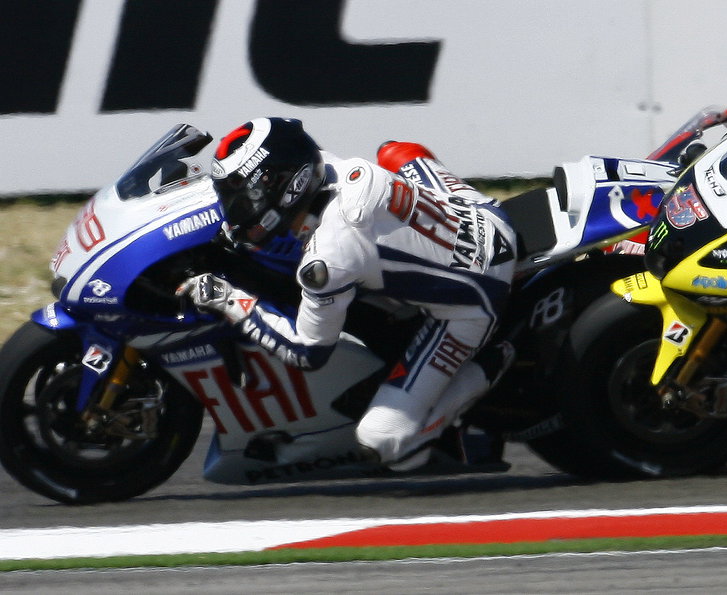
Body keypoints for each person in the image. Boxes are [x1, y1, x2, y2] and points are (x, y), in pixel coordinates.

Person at [174, 117, 518, 471]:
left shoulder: (329, 258)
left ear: (286, 184)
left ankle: (490, 363)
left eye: (244, 196)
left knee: (385, 442)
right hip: (481, 212)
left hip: (472, 301)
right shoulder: (331, 166)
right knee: (394, 151)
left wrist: (228, 299)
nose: (236, 210)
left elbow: (308, 350)